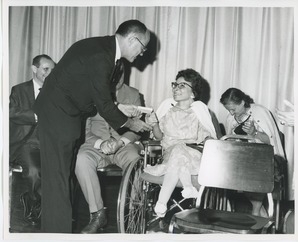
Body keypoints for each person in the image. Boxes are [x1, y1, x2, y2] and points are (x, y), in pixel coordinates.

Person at [33, 19, 152, 233]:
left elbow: (95, 97)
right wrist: (130, 122)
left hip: (66, 114)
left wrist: (118, 109)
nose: (142, 53)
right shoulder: (102, 55)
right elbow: (103, 104)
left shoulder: (104, 50)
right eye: (143, 47)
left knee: (63, 178)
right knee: (57, 179)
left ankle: (57, 231)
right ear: (133, 39)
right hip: (57, 114)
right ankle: (55, 234)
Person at [75, 64, 144, 233]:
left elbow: (137, 129)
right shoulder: (91, 93)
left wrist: (120, 142)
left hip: (123, 145)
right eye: (115, 74)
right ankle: (97, 215)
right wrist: (101, 143)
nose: (119, 78)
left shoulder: (134, 94)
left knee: (136, 160)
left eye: (122, 74)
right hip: (96, 145)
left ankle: (132, 209)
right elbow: (84, 130)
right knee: (81, 159)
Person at [144, 69, 217, 217]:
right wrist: (154, 125)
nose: (176, 88)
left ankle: (162, 202)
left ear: (193, 93)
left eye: (182, 85)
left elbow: (207, 137)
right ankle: (187, 187)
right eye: (175, 85)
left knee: (180, 150)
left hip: (193, 157)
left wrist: (210, 141)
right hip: (168, 155)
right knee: (177, 149)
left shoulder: (200, 112)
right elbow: (158, 137)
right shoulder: (168, 110)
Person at [220, 87, 286, 216]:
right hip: (243, 158)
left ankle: (256, 211)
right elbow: (229, 144)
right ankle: (260, 216)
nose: (232, 113)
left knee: (253, 172)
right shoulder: (231, 117)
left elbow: (271, 141)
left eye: (234, 109)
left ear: (243, 102)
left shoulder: (260, 112)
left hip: (266, 158)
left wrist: (254, 133)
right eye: (228, 110)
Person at [9, 54, 55, 225]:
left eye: (52, 70)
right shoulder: (19, 90)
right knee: (35, 171)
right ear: (34, 69)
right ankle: (35, 202)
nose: (49, 73)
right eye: (45, 69)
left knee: (65, 169)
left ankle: (36, 200)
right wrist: (37, 116)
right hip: (26, 143)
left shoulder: (56, 92)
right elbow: (11, 112)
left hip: (50, 142)